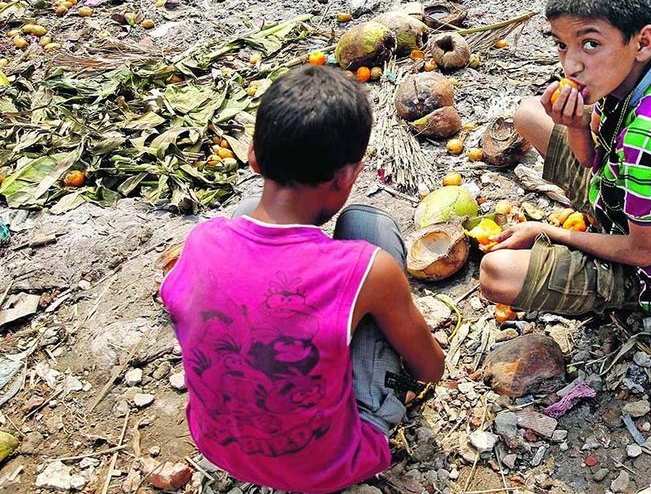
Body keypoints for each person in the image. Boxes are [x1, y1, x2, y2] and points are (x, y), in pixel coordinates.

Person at [160, 65, 444, 494]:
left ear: (253, 155)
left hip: (220, 448)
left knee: (246, 213)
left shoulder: (201, 239)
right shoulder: (370, 269)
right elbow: (430, 369)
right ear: (348, 176)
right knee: (368, 225)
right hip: (329, 467)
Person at [480, 0, 651, 318]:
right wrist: (576, 125)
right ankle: (597, 224)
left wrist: (550, 232)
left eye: (590, 44)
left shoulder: (650, 136)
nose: (570, 65)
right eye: (562, 44)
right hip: (623, 198)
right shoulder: (646, 67)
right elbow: (593, 159)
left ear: (642, 41)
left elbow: (643, 252)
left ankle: (619, 288)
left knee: (496, 273)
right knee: (528, 114)